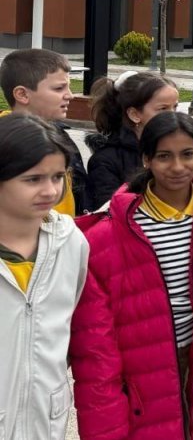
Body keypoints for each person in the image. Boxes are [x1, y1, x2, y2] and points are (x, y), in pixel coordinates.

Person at [70, 112, 193, 440]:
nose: (177, 167)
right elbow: (95, 338)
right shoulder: (110, 233)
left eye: (187, 154)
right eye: (163, 156)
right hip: (142, 368)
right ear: (146, 160)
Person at [0, 115, 89, 440]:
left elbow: (70, 313)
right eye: (33, 179)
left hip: (44, 417)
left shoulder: (71, 241)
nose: (50, 190)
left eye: (58, 176)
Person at [0, 48, 88, 214]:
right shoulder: (5, 144)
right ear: (22, 94)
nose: (70, 95)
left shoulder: (60, 137)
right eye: (59, 88)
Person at [86, 71, 180, 209]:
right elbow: (109, 211)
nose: (172, 115)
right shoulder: (106, 161)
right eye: (163, 109)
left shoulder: (179, 148)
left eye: (175, 107)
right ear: (135, 114)